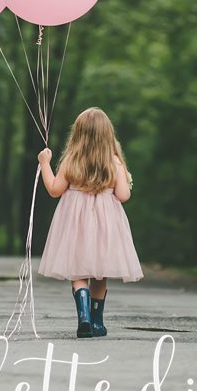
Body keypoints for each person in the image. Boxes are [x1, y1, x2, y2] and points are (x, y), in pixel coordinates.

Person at [36, 107, 143, 339]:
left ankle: (83, 317)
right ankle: (97, 322)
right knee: (100, 271)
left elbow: (55, 190)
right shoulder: (115, 163)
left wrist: (44, 163)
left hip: (75, 220)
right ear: (108, 135)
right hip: (105, 222)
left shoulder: (71, 160)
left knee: (78, 269)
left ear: (78, 134)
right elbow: (123, 196)